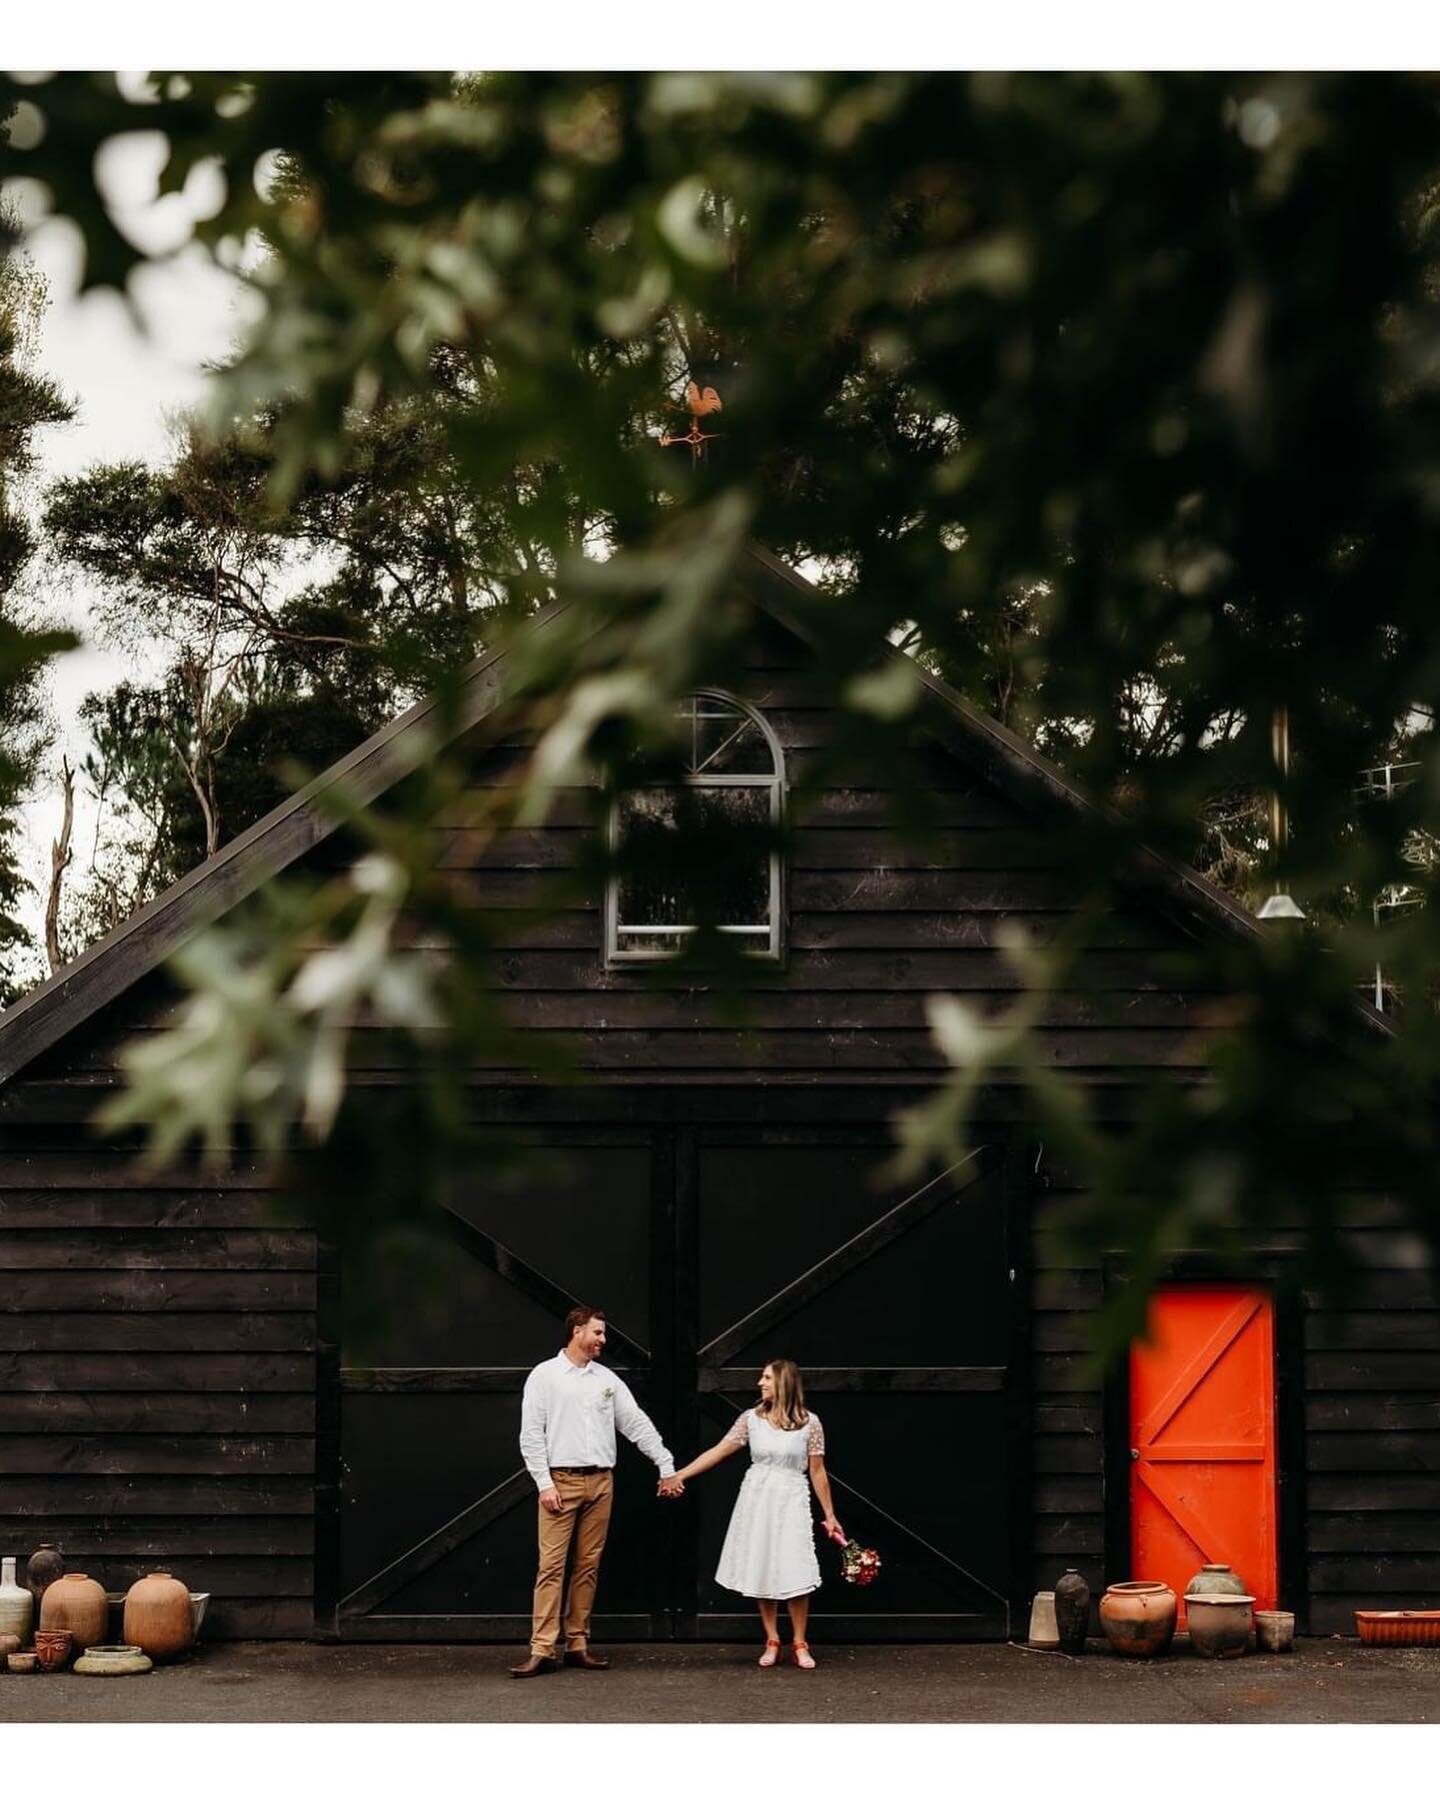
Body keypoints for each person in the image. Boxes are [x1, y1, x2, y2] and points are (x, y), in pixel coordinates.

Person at [511, 1305, 684, 1678]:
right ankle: (542, 1649)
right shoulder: (545, 1376)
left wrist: (665, 1463)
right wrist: (544, 1483)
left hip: (601, 1482)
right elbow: (531, 1435)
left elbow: (635, 1422)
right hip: (561, 1480)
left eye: (603, 1334)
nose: (603, 1340)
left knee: (588, 1567)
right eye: (598, 1333)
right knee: (551, 1568)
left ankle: (577, 1644)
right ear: (576, 1331)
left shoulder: (606, 1380)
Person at [666, 1358, 842, 1669]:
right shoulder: (751, 1418)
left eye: (766, 1378)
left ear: (783, 1383)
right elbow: (719, 1451)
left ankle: (799, 1641)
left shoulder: (809, 1423)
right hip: (758, 1496)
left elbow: (818, 1471)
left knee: (795, 1567)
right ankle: (772, 1638)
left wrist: (830, 1514)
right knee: (763, 1565)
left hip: (791, 1497)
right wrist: (681, 1474)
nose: (760, 1383)